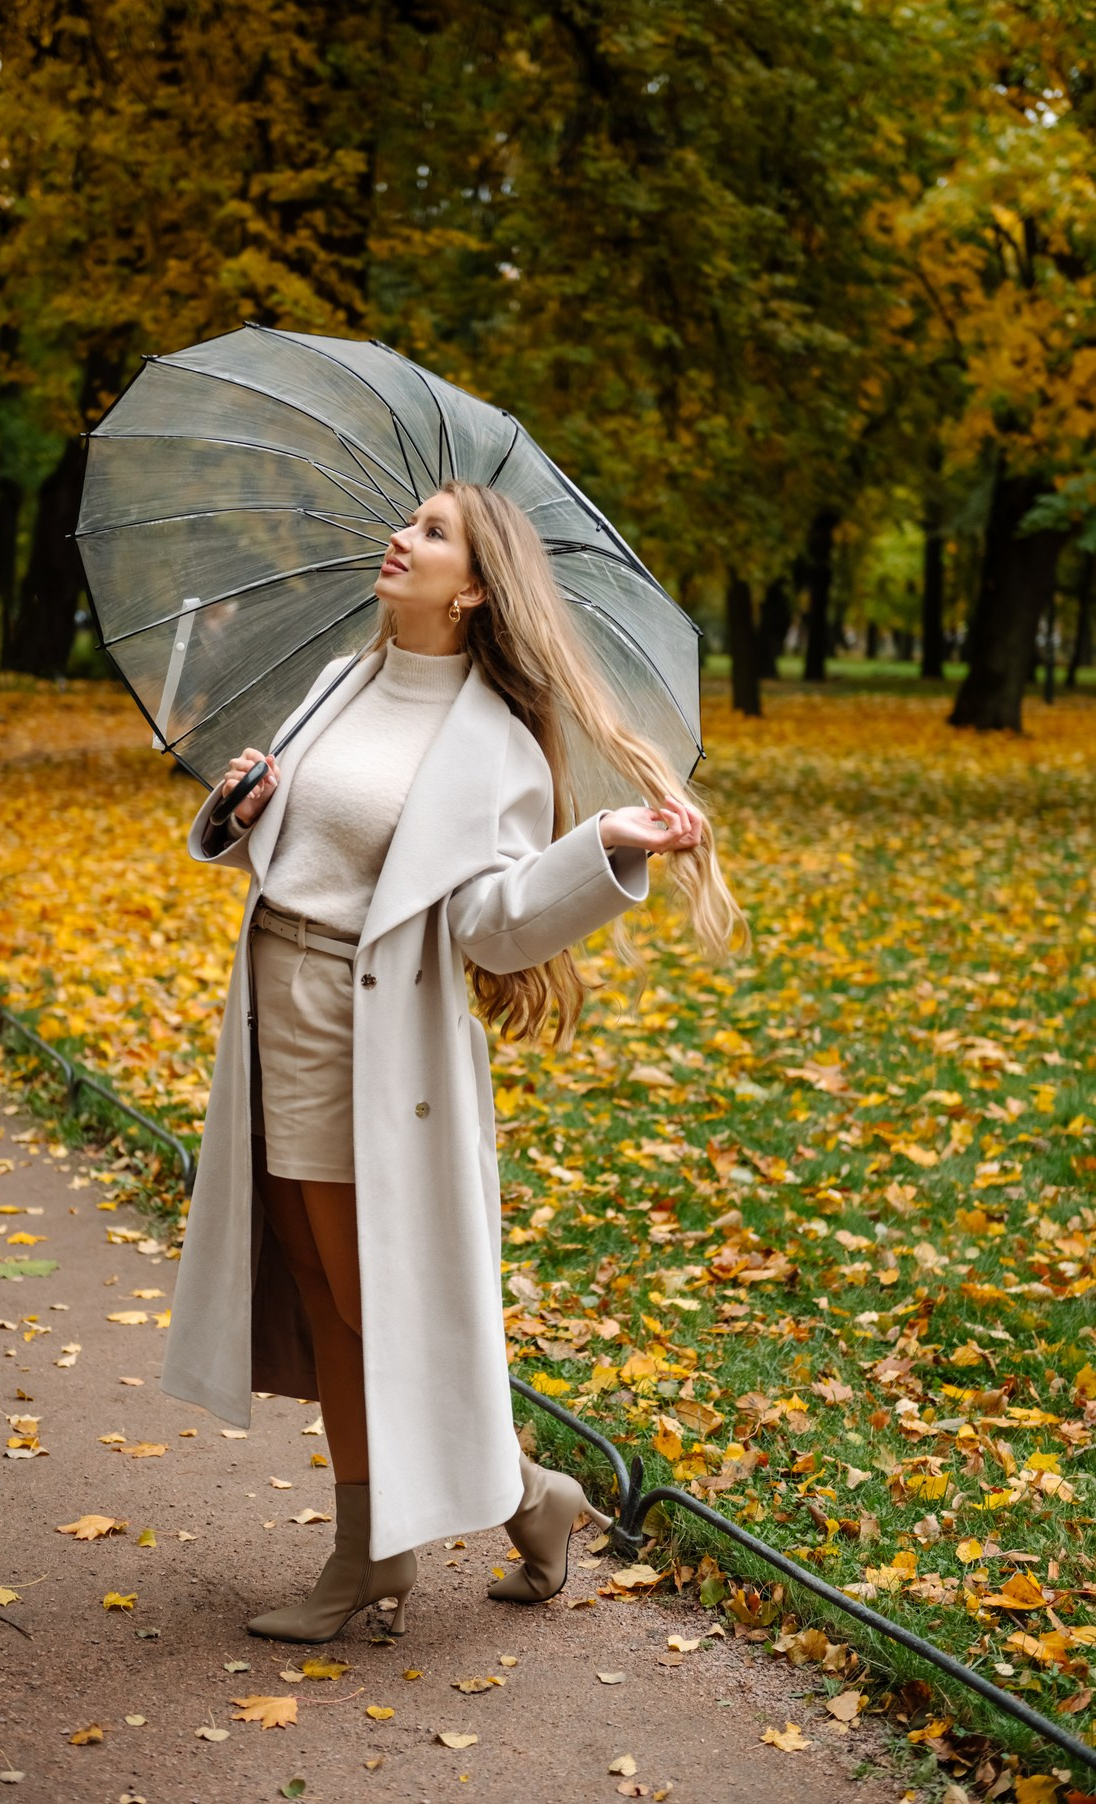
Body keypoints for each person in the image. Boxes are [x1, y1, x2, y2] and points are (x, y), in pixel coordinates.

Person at [160, 480, 746, 1645]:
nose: (402, 538)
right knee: (326, 1296)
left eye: (433, 533)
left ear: (475, 587)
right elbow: (296, 851)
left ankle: (481, 1513)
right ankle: (423, 1536)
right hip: (269, 1014)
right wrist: (238, 811)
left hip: (370, 1036)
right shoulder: (345, 679)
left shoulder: (489, 741)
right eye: (409, 523)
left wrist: (604, 849)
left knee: (376, 1305)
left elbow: (489, 924)